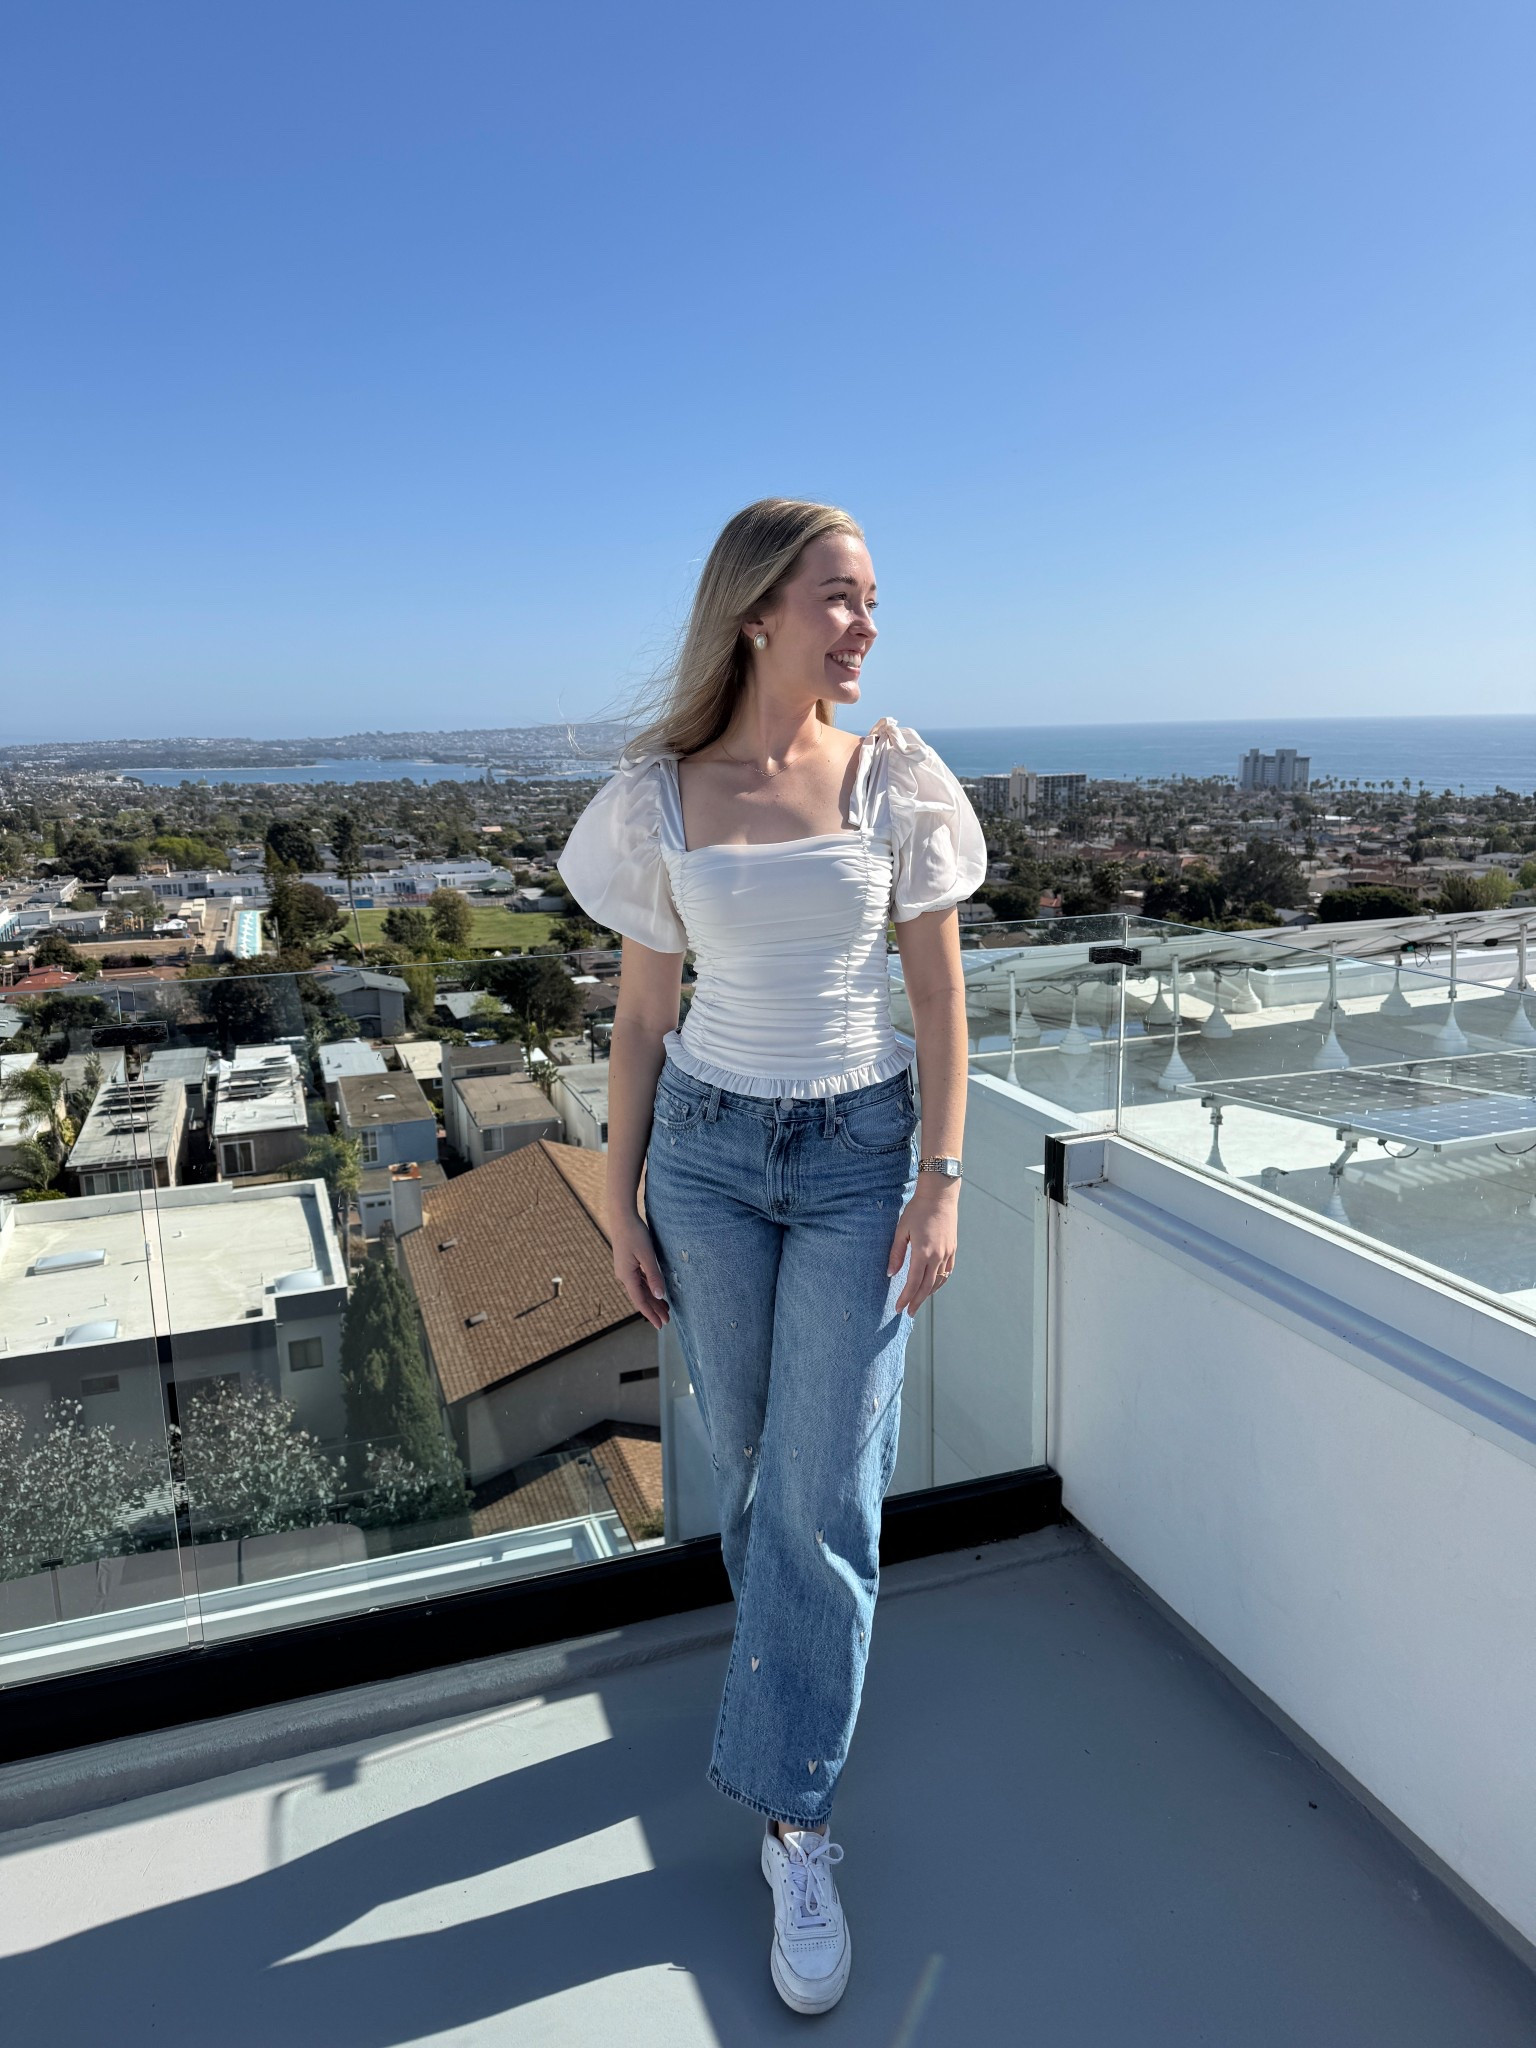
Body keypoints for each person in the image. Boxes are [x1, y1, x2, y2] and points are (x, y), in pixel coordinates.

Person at [556, 497, 986, 2015]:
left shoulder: (896, 784)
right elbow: (639, 1023)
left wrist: (941, 1185)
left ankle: (797, 1815)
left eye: (872, 601)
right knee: (744, 1460)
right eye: (842, 598)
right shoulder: (661, 797)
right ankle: (789, 1686)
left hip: (867, 1155)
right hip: (712, 1160)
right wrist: (619, 1204)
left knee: (823, 1482)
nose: (865, 625)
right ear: (757, 611)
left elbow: (938, 1009)